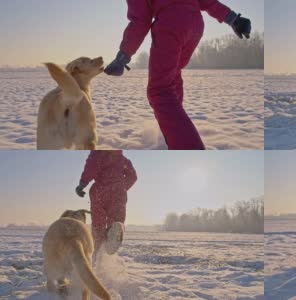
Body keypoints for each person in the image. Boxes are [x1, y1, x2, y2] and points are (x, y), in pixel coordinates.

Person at [104, 0, 252, 150]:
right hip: (195, 25)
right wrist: (233, 19)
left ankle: (187, 146)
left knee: (160, 90)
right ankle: (174, 134)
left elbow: (140, 21)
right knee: (172, 77)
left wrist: (123, 56)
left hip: (171, 24)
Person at [76, 150, 137, 255]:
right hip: (118, 193)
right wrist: (121, 187)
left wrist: (82, 184)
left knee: (98, 222)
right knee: (117, 217)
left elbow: (91, 167)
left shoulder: (97, 154)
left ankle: (99, 247)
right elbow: (133, 176)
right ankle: (116, 228)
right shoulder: (122, 159)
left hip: (99, 191)